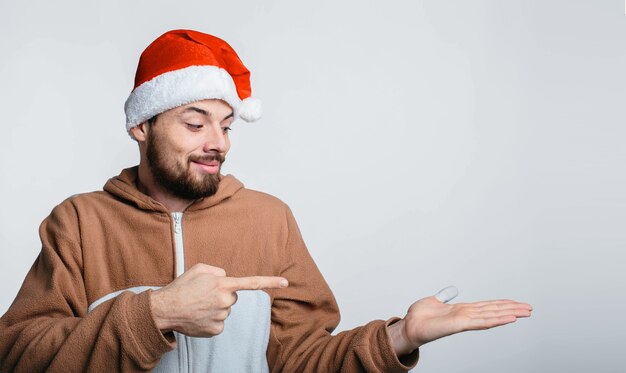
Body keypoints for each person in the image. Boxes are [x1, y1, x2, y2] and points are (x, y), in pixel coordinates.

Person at [0, 29, 532, 373]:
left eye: (227, 125)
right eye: (195, 122)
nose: (218, 143)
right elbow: (18, 355)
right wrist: (155, 312)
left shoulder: (268, 219)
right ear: (141, 125)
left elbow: (301, 360)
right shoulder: (78, 221)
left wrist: (399, 337)